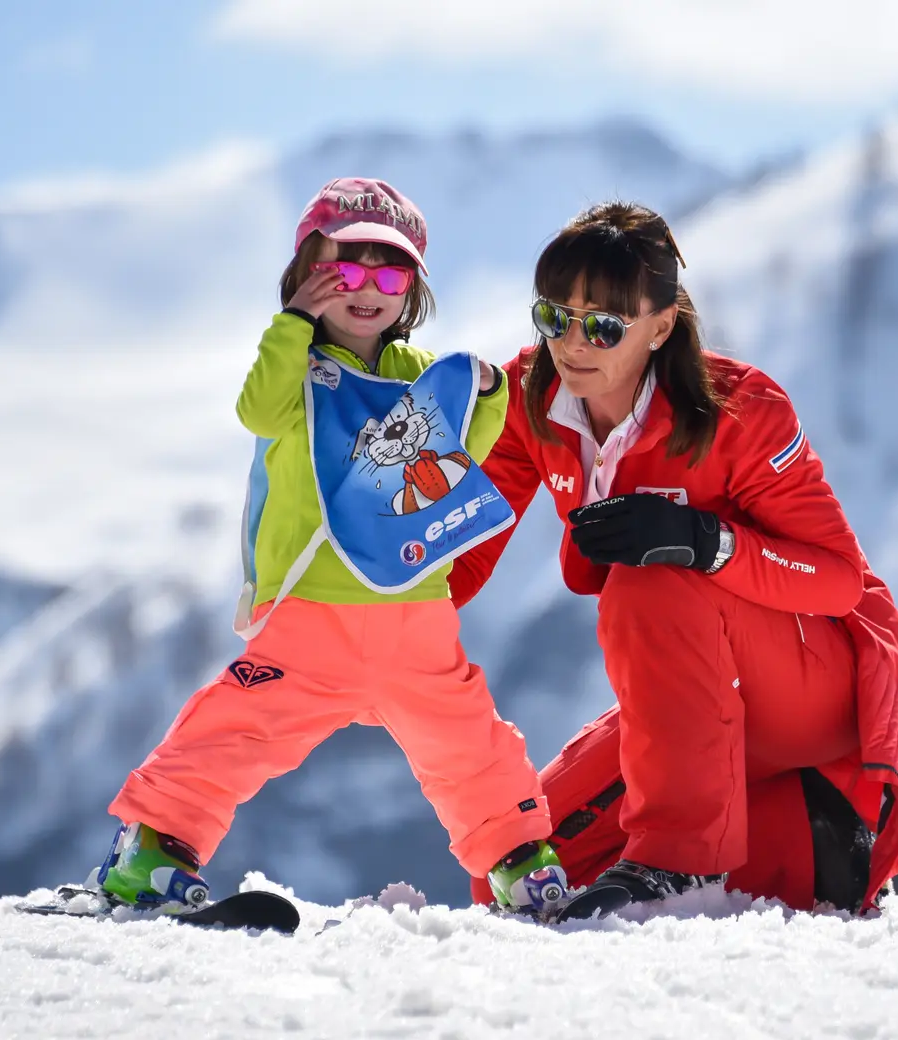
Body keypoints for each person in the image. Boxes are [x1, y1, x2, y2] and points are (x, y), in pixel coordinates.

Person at [450, 202, 898, 920]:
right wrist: (371, 608)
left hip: (811, 683)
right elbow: (461, 550)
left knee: (651, 577)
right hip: (695, 700)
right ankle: (812, 841)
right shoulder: (532, 397)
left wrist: (707, 541)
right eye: (553, 317)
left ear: (660, 327)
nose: (573, 343)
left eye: (602, 325)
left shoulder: (740, 410)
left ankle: (677, 862)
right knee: (519, 864)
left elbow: (839, 579)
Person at [91, 178, 570, 915]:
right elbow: (257, 408)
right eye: (345, 268)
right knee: (237, 727)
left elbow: (455, 460)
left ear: (412, 289)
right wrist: (290, 326)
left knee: (468, 740)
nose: (367, 289)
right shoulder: (299, 373)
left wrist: (486, 395)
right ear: (306, 275)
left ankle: (518, 859)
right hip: (314, 610)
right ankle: (152, 847)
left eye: (391, 272)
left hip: (414, 608)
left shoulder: (415, 373)